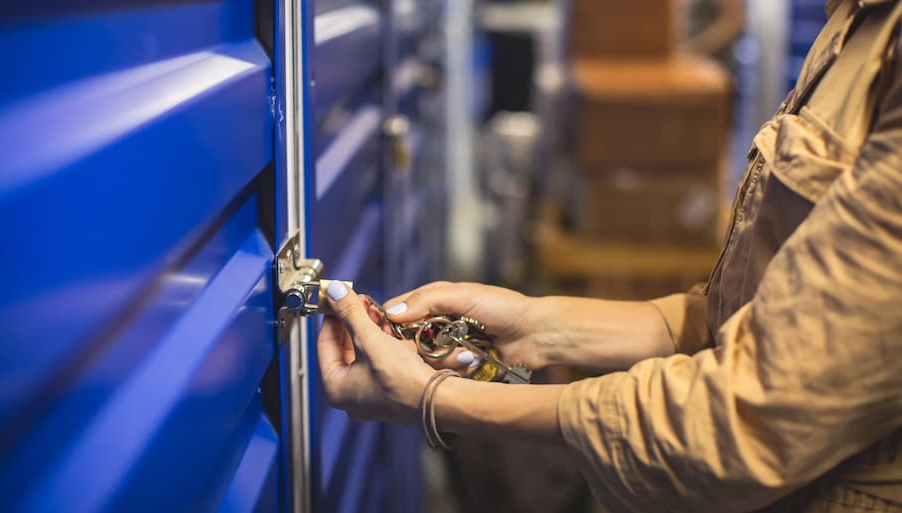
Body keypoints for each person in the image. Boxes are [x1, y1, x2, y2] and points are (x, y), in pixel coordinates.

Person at [317, 0, 902, 511]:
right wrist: (539, 324)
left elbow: (754, 417)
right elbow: (743, 323)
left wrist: (438, 399)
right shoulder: (855, 25)